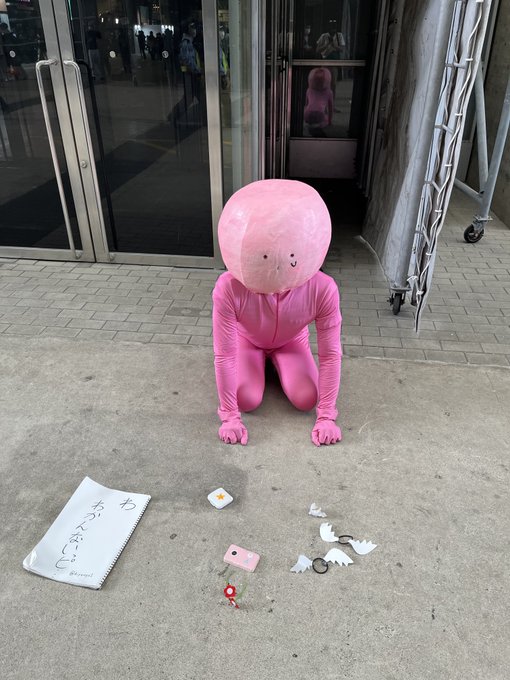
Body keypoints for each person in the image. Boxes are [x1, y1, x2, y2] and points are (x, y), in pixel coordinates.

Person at [213, 179, 342, 447]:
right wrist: (230, 416)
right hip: (247, 341)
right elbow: (224, 354)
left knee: (306, 398)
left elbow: (331, 354)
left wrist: (327, 416)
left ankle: (275, 364)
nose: (278, 266)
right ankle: (261, 364)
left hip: (292, 341)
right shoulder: (229, 288)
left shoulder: (322, 289)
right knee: (246, 399)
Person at [303, 67, 333, 137]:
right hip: (320, 114)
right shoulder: (329, 92)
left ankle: (310, 125)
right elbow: (330, 108)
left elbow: (306, 104)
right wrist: (329, 121)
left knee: (311, 120)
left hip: (307, 114)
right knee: (325, 119)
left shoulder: (308, 90)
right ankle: (319, 125)